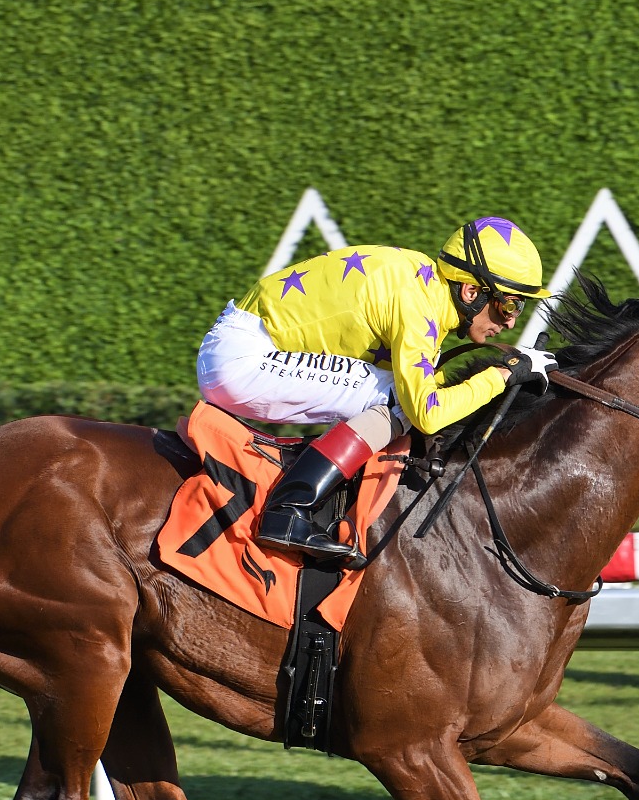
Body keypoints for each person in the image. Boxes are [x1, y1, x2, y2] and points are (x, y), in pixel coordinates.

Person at [195, 217, 557, 563]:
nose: (510, 321)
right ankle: (288, 511)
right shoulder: (418, 306)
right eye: (510, 304)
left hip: (245, 347)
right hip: (242, 359)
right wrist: (502, 375)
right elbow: (428, 412)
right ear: (471, 290)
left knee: (400, 397)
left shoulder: (424, 288)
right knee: (402, 403)